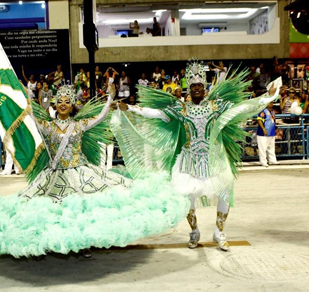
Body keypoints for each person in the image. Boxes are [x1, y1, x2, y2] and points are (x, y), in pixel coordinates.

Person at [0, 85, 188, 258]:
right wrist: (26, 97)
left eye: (67, 102)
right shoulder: (46, 125)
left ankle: (81, 244)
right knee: (55, 213)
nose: (63, 104)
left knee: (81, 212)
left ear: (72, 105)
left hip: (80, 174)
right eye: (60, 102)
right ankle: (59, 244)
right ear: (55, 105)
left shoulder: (79, 124)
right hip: (54, 175)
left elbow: (100, 117)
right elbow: (29, 115)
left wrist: (110, 97)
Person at [113, 59, 280, 251]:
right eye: (193, 86)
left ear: (205, 87)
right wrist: (132, 108)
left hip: (214, 158)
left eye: (200, 85)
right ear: (189, 89)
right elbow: (156, 113)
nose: (197, 88)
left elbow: (242, 108)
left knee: (224, 193)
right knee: (187, 197)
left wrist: (266, 98)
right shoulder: (181, 109)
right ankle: (194, 231)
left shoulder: (216, 106)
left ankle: (219, 232)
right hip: (189, 159)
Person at [257, 102, 278, 167]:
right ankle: (263, 161)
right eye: (270, 103)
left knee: (271, 147)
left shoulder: (272, 111)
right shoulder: (263, 111)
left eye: (272, 102)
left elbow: (273, 120)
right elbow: (259, 120)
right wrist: (263, 129)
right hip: (263, 133)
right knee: (263, 148)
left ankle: (272, 160)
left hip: (271, 132)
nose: (272, 104)